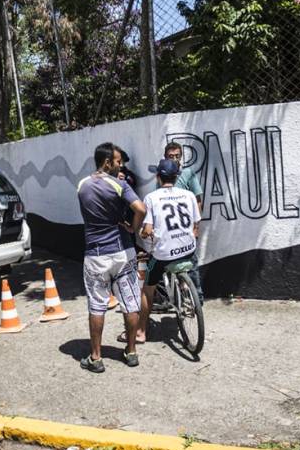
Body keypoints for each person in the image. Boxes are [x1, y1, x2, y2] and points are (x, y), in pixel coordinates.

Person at [77, 142, 146, 373]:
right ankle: (131, 352)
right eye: (118, 162)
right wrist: (132, 229)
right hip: (123, 251)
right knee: (130, 303)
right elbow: (141, 209)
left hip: (95, 254)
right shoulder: (119, 184)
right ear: (107, 163)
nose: (121, 165)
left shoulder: (82, 186)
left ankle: (96, 357)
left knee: (97, 306)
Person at [135, 158, 201, 343]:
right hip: (188, 249)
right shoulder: (188, 195)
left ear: (158, 177)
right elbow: (197, 222)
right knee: (181, 261)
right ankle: (185, 291)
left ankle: (141, 331)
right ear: (176, 176)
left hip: (164, 254)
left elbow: (147, 229)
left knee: (148, 288)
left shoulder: (152, 198)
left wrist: (142, 233)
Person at [155, 142, 205, 304]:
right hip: (170, 230)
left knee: (192, 264)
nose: (175, 159)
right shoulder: (162, 174)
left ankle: (198, 298)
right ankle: (172, 299)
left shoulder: (188, 173)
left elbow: (198, 201)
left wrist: (195, 227)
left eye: (177, 156)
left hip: (187, 228)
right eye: (171, 156)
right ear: (165, 157)